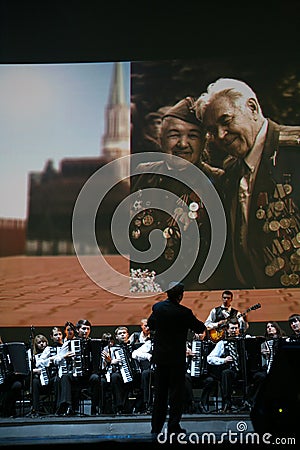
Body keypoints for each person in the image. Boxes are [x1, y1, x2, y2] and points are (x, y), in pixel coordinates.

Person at [195, 78, 300, 289]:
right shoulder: (232, 170)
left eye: (226, 121)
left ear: (252, 108)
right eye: (213, 130)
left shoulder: (294, 152)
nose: (221, 135)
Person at [130, 96, 224, 292]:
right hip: (144, 288)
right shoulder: (142, 176)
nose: (183, 143)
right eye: (174, 135)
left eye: (193, 136)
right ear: (160, 139)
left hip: (197, 290)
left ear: (204, 141)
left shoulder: (219, 182)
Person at [147, 281, 206, 437]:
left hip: (160, 359)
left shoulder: (157, 308)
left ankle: (155, 428)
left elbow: (150, 324)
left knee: (159, 395)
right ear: (181, 296)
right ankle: (173, 426)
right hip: (177, 360)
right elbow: (200, 328)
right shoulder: (184, 313)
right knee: (176, 395)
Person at [207, 318, 246, 413]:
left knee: (260, 376)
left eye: (236, 328)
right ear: (227, 330)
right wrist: (223, 360)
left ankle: (249, 401)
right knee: (226, 373)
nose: (234, 331)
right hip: (232, 372)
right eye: (232, 328)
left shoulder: (246, 340)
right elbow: (210, 358)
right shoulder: (222, 343)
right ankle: (227, 403)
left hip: (246, 371)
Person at [104, 326, 140, 414]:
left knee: (144, 376)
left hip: (135, 374)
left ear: (128, 335)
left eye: (124, 333)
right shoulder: (113, 349)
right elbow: (105, 366)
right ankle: (119, 407)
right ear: (116, 337)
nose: (123, 335)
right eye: (120, 334)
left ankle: (140, 407)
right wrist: (112, 361)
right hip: (120, 374)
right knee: (115, 377)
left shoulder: (135, 347)